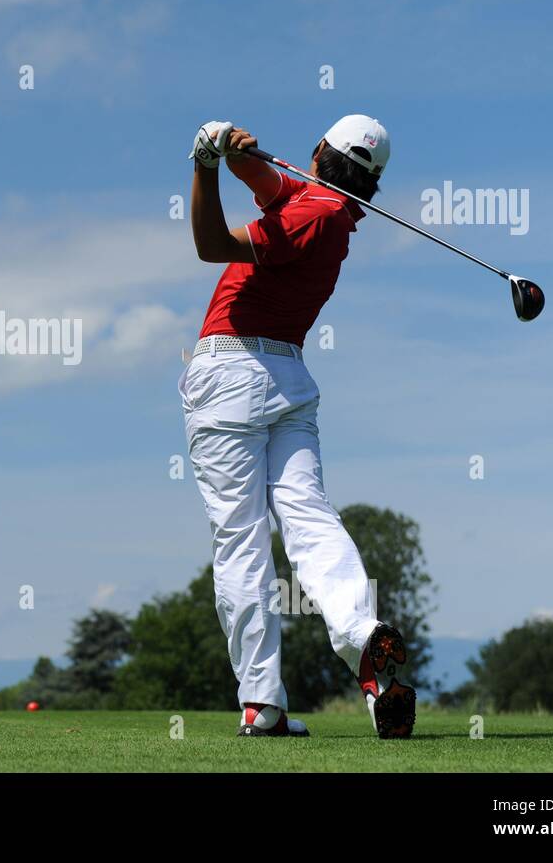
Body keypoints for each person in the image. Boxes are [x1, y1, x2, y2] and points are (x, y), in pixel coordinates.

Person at [182, 115, 415, 739]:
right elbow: (265, 182)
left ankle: (262, 702)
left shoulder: (312, 215)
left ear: (318, 151)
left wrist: (202, 168)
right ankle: (364, 640)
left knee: (240, 538)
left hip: (231, 370)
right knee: (308, 515)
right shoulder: (325, 210)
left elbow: (209, 244)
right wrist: (234, 153)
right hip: (286, 378)